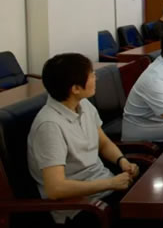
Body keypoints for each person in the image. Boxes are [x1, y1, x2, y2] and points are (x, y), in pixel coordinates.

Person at [28, 53, 140, 225]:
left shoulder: (83, 104)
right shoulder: (49, 126)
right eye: (91, 75)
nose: (96, 78)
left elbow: (103, 143)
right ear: (75, 88)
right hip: (81, 207)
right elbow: (55, 188)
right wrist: (110, 183)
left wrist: (122, 161)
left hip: (105, 189)